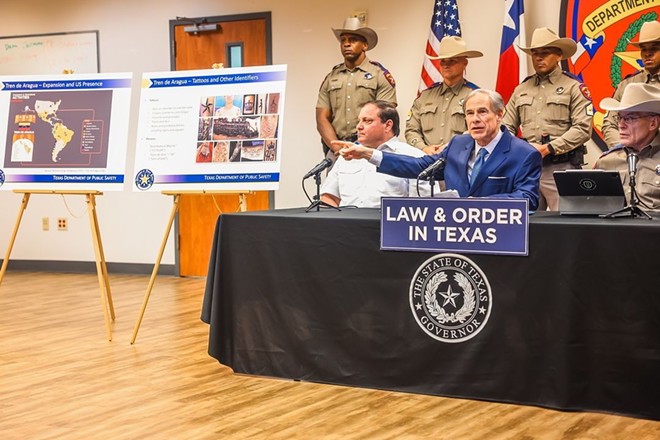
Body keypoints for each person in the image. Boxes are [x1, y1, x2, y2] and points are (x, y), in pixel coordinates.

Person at [337, 89, 542, 210]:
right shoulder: (458, 144)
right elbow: (420, 167)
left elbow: (528, 198)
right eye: (469, 114)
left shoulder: (523, 154)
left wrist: (478, 204)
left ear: (499, 115)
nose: (475, 119)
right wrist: (369, 154)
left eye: (482, 112)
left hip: (498, 236)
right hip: (453, 232)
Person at [502, 27, 593, 211]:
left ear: (559, 55)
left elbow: (583, 128)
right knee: (526, 225)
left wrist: (548, 148)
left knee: (567, 222)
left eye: (545, 53)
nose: (538, 58)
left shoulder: (573, 87)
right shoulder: (522, 89)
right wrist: (518, 150)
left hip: (560, 167)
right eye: (535, 53)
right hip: (527, 169)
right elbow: (506, 126)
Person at [316, 17, 397, 162]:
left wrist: (361, 148)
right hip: (337, 149)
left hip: (369, 149)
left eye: (353, 40)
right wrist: (337, 147)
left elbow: (386, 118)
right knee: (333, 185)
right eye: (343, 40)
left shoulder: (379, 75)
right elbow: (322, 118)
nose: (346, 44)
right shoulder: (331, 77)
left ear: (364, 45)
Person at [320, 101, 429, 208]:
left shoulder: (413, 157)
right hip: (348, 224)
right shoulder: (347, 155)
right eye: (359, 121)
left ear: (387, 125)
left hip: (389, 225)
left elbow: (422, 206)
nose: (359, 126)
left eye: (367, 121)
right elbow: (329, 197)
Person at [405, 36, 481, 155]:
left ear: (464, 63)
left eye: (452, 61)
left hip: (462, 160)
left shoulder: (476, 96)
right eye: (443, 61)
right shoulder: (425, 96)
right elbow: (411, 130)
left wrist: (451, 147)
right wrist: (424, 148)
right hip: (427, 159)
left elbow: (481, 130)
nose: (446, 65)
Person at [595, 83, 660, 210]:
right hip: (616, 229)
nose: (621, 125)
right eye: (619, 118)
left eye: (629, 118)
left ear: (653, 123)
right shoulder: (606, 162)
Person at [601, 20, 660, 148]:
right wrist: (626, 148)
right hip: (631, 156)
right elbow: (609, 124)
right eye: (643, 49)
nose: (647, 53)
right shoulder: (627, 84)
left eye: (654, 48)